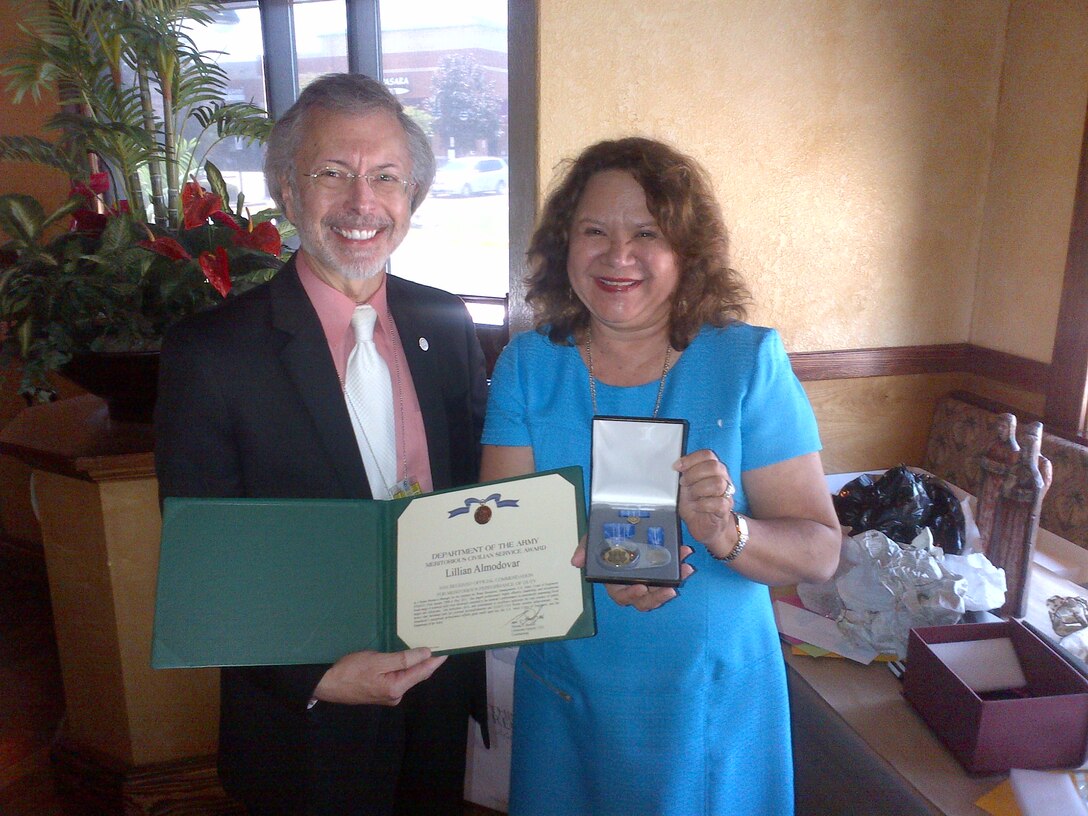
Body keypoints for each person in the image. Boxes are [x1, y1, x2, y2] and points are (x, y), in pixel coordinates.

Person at [155, 73, 488, 816]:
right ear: (286, 188)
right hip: (303, 718)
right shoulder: (211, 353)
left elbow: (478, 489)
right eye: (333, 173)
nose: (362, 203)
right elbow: (203, 550)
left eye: (386, 177)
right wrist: (316, 673)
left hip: (436, 689)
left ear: (414, 197)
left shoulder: (449, 323)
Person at [481, 137, 842, 815]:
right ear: (566, 245)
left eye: (646, 232)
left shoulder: (747, 363)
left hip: (711, 700)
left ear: (686, 250)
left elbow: (820, 551)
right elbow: (505, 554)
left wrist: (729, 531)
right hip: (568, 694)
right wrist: (578, 566)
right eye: (594, 231)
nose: (618, 256)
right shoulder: (527, 367)